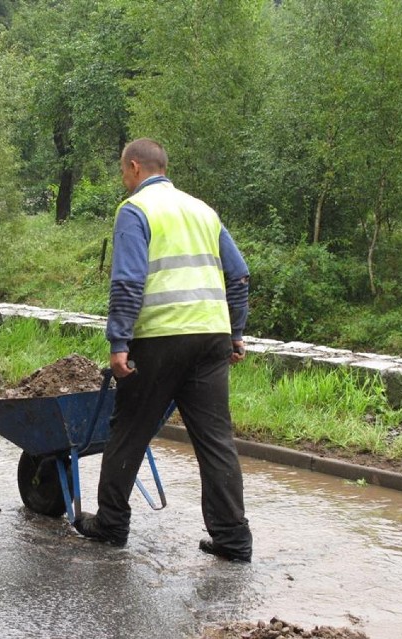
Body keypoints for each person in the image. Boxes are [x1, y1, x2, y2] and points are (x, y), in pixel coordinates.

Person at [73, 138, 253, 562]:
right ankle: (233, 540)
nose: (123, 180)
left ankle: (112, 524)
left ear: (135, 167)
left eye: (122, 171)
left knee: (129, 430)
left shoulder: (135, 210)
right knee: (215, 441)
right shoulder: (203, 210)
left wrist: (118, 342)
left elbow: (129, 281)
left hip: (159, 338)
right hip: (211, 338)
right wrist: (237, 332)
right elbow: (239, 274)